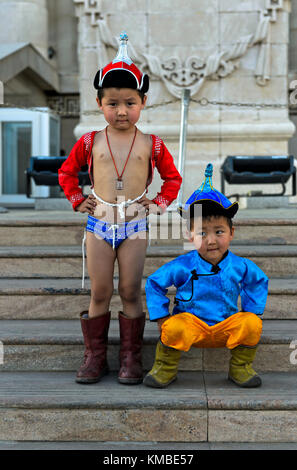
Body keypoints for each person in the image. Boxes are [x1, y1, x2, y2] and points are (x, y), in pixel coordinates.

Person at [58, 32, 182, 385]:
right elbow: (66, 172)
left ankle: (130, 356)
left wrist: (157, 203)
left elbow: (172, 179)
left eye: (129, 102)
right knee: (100, 291)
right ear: (99, 103)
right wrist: (77, 199)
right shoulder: (90, 140)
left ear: (143, 102)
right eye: (112, 103)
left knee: (129, 290)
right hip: (99, 224)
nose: (121, 110)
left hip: (134, 226)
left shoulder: (152, 144)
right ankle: (95, 356)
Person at [143, 163, 269, 389]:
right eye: (202, 233)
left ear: (231, 233)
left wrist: (252, 310)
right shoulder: (182, 266)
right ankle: (165, 367)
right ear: (189, 235)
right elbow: (154, 283)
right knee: (173, 327)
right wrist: (161, 316)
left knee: (251, 324)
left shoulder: (240, 265)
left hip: (226, 325)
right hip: (191, 325)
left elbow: (258, 281)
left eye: (219, 232)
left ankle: (241, 367)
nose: (211, 240)